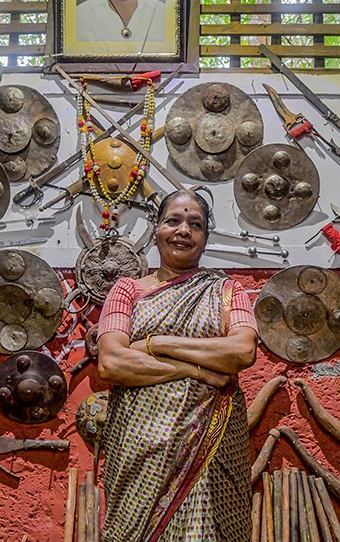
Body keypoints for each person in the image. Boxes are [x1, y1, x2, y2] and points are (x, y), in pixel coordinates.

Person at [97, 190, 259, 542]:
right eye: (173, 221)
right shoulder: (126, 291)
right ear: (157, 230)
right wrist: (197, 370)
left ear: (204, 238)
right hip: (137, 452)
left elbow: (242, 352)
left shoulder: (227, 291)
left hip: (209, 453)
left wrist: (157, 343)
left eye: (195, 224)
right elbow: (111, 363)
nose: (183, 230)